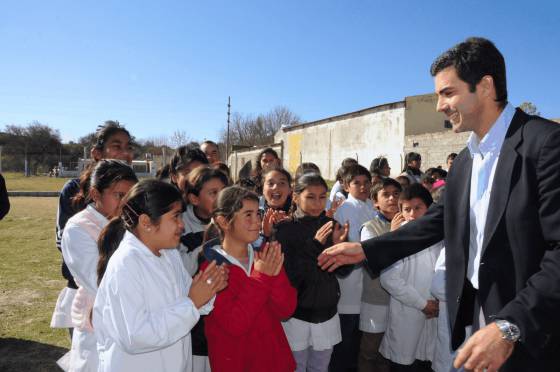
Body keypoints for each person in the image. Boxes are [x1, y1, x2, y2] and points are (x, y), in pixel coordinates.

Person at [318, 37, 560, 372]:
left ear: (486, 86)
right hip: (473, 321)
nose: (439, 106)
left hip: (529, 330)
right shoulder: (464, 161)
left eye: (448, 93)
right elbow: (434, 223)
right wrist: (366, 250)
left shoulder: (545, 144)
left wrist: (511, 324)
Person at [93, 179, 228, 372]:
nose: (182, 225)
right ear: (146, 222)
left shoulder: (169, 253)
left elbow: (188, 300)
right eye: (175, 217)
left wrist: (208, 288)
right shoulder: (126, 264)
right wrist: (192, 303)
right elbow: (135, 336)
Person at [51, 121, 134, 338]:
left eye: (128, 147)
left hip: (125, 292)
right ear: (97, 153)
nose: (125, 153)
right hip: (86, 289)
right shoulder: (73, 190)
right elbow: (64, 241)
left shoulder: (135, 190)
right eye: (117, 146)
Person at [201, 186, 297, 372]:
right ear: (223, 221)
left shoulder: (263, 257)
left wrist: (272, 277)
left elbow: (286, 309)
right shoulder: (211, 270)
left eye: (258, 214)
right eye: (248, 215)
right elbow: (235, 324)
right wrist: (262, 277)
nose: (257, 221)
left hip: (275, 362)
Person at [61, 160, 138, 372]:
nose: (126, 204)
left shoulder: (133, 222)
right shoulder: (78, 228)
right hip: (98, 319)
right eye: (119, 195)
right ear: (95, 194)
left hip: (133, 320)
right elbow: (99, 281)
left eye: (130, 196)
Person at [276, 173, 350, 372]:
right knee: (295, 366)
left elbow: (344, 271)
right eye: (310, 197)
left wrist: (340, 246)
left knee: (320, 367)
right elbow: (291, 276)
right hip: (296, 315)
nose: (318, 203)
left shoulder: (331, 225)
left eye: (322, 197)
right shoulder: (285, 230)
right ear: (296, 197)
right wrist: (315, 245)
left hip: (326, 312)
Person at [379, 184, 442, 371]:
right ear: (400, 211)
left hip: (435, 314)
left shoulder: (439, 236)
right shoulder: (399, 238)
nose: (412, 215)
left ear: (430, 209)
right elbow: (389, 279)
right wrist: (422, 304)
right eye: (407, 209)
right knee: (403, 364)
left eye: (418, 208)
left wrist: (436, 303)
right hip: (409, 313)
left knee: (427, 361)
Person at [178, 166, 228, 372]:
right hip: (195, 331)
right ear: (194, 198)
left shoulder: (234, 221)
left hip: (227, 325)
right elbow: (181, 271)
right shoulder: (178, 226)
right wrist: (208, 247)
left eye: (224, 191)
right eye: (213, 193)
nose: (221, 198)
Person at [330, 163, 375, 372]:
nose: (363, 187)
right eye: (357, 183)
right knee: (345, 342)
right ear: (347, 186)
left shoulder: (370, 207)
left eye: (367, 182)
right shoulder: (345, 210)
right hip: (349, 283)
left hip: (366, 284)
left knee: (358, 342)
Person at [357, 178, 402, 372]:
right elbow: (373, 262)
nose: (392, 198)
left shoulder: (412, 225)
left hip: (402, 303)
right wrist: (393, 235)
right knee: (370, 351)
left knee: (391, 353)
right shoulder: (369, 228)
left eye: (396, 193)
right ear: (375, 201)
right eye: (386, 194)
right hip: (377, 301)